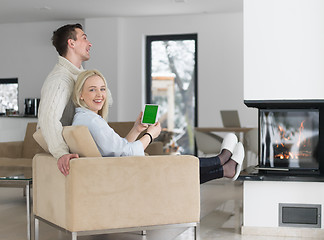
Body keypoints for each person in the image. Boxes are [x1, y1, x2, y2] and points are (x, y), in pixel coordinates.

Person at [72, 70, 245, 183]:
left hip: (118, 168)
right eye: (92, 90)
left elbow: (119, 150)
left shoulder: (86, 119)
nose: (100, 95)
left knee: (178, 166)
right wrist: (150, 135)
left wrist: (137, 129)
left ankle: (224, 168)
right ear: (80, 94)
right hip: (123, 173)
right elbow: (126, 153)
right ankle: (221, 161)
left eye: (102, 89)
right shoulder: (92, 121)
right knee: (177, 165)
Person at [37, 23, 92, 176]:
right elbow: (48, 118)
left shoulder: (80, 76)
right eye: (85, 38)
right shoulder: (60, 79)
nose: (90, 43)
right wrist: (61, 153)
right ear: (71, 43)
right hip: (70, 151)